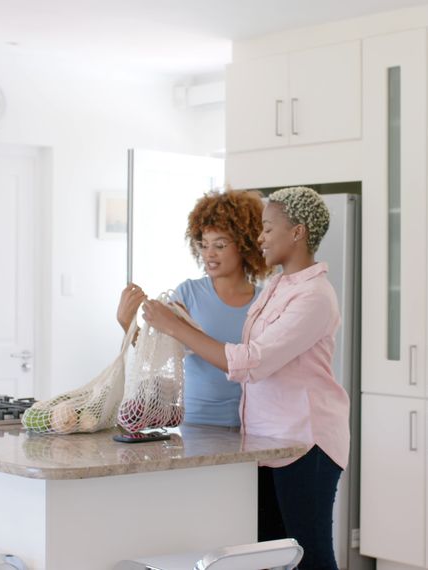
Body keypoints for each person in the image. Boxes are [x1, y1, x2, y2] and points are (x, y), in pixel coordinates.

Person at [142, 186, 349, 570]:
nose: (261, 237)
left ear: (298, 233)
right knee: (267, 555)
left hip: (307, 442)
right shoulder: (276, 289)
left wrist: (176, 327)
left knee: (311, 557)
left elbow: (252, 363)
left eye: (268, 229)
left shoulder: (314, 296)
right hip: (267, 442)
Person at [116, 189, 270, 428]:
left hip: (252, 426)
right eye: (204, 244)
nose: (209, 254)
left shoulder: (265, 301)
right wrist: (128, 324)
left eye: (220, 245)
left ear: (244, 245)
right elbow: (157, 355)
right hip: (196, 424)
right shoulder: (188, 293)